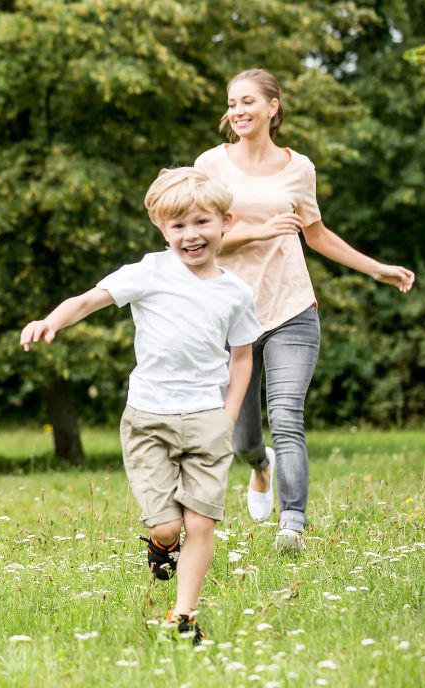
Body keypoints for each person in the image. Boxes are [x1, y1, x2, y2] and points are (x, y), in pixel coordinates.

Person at [20, 168, 260, 644]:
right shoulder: (149, 271)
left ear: (225, 222)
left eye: (201, 223)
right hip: (149, 417)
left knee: (201, 521)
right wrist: (52, 320)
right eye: (178, 227)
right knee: (171, 525)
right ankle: (159, 544)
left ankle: (183, 615)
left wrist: (228, 416)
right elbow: (90, 300)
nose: (190, 235)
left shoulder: (236, 292)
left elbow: (243, 356)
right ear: (161, 229)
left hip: (207, 419)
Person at [194, 69, 415, 552]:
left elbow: (316, 235)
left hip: (292, 307)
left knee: (288, 414)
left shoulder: (300, 168)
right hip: (232, 315)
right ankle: (260, 467)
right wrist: (259, 231)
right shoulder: (209, 165)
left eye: (248, 101)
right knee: (242, 437)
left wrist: (377, 269)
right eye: (232, 103)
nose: (238, 111)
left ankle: (292, 522)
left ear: (274, 106)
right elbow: (196, 238)